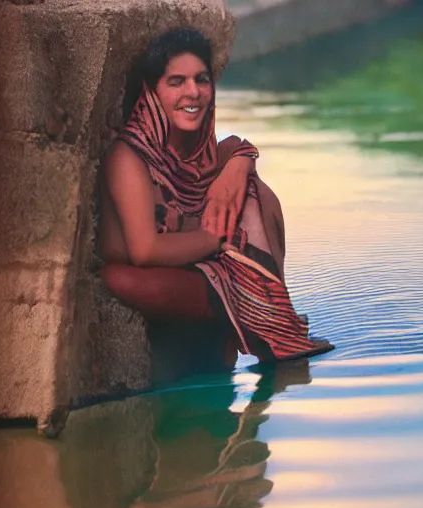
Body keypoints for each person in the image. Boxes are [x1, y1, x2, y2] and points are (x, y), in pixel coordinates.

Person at [99, 28, 334, 364]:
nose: (192, 92)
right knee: (118, 278)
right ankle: (249, 313)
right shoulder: (129, 157)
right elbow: (144, 250)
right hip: (158, 271)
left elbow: (234, 147)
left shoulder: (202, 153)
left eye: (202, 79)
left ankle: (264, 310)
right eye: (176, 82)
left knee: (255, 191)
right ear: (152, 91)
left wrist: (242, 163)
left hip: (201, 266)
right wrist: (217, 238)